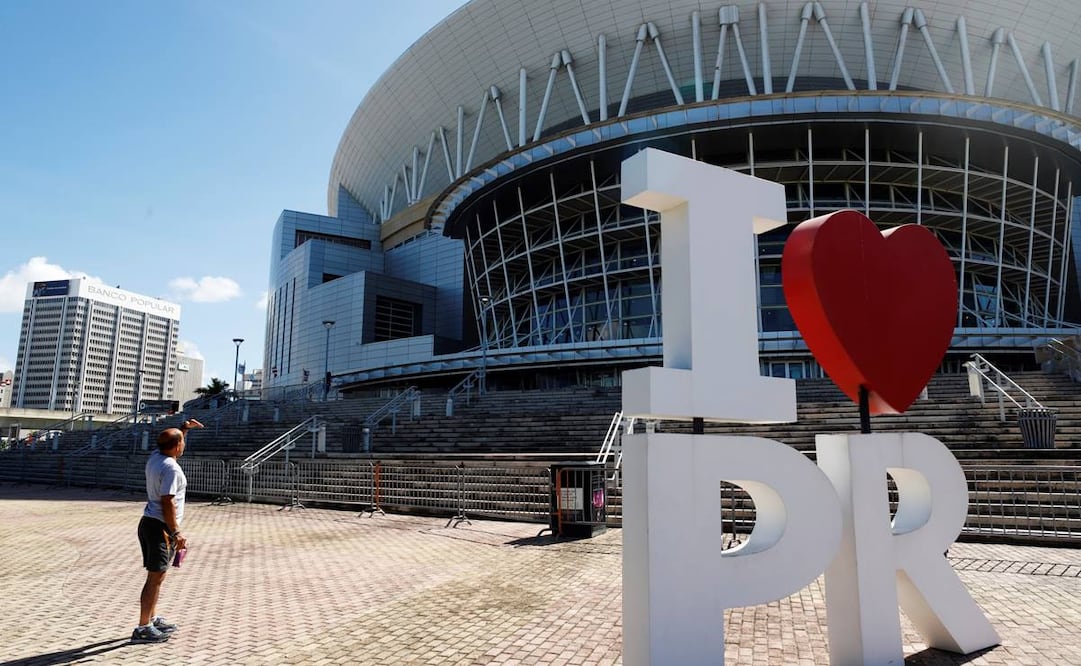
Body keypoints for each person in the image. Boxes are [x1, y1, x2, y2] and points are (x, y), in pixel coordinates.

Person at [132, 417, 204, 643]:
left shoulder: (156, 457)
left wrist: (184, 429)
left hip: (149, 523)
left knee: (158, 577)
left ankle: (151, 619)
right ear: (177, 447)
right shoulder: (171, 469)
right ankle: (143, 627)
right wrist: (176, 533)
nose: (183, 445)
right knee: (155, 578)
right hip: (159, 527)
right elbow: (167, 501)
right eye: (182, 442)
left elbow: (171, 441)